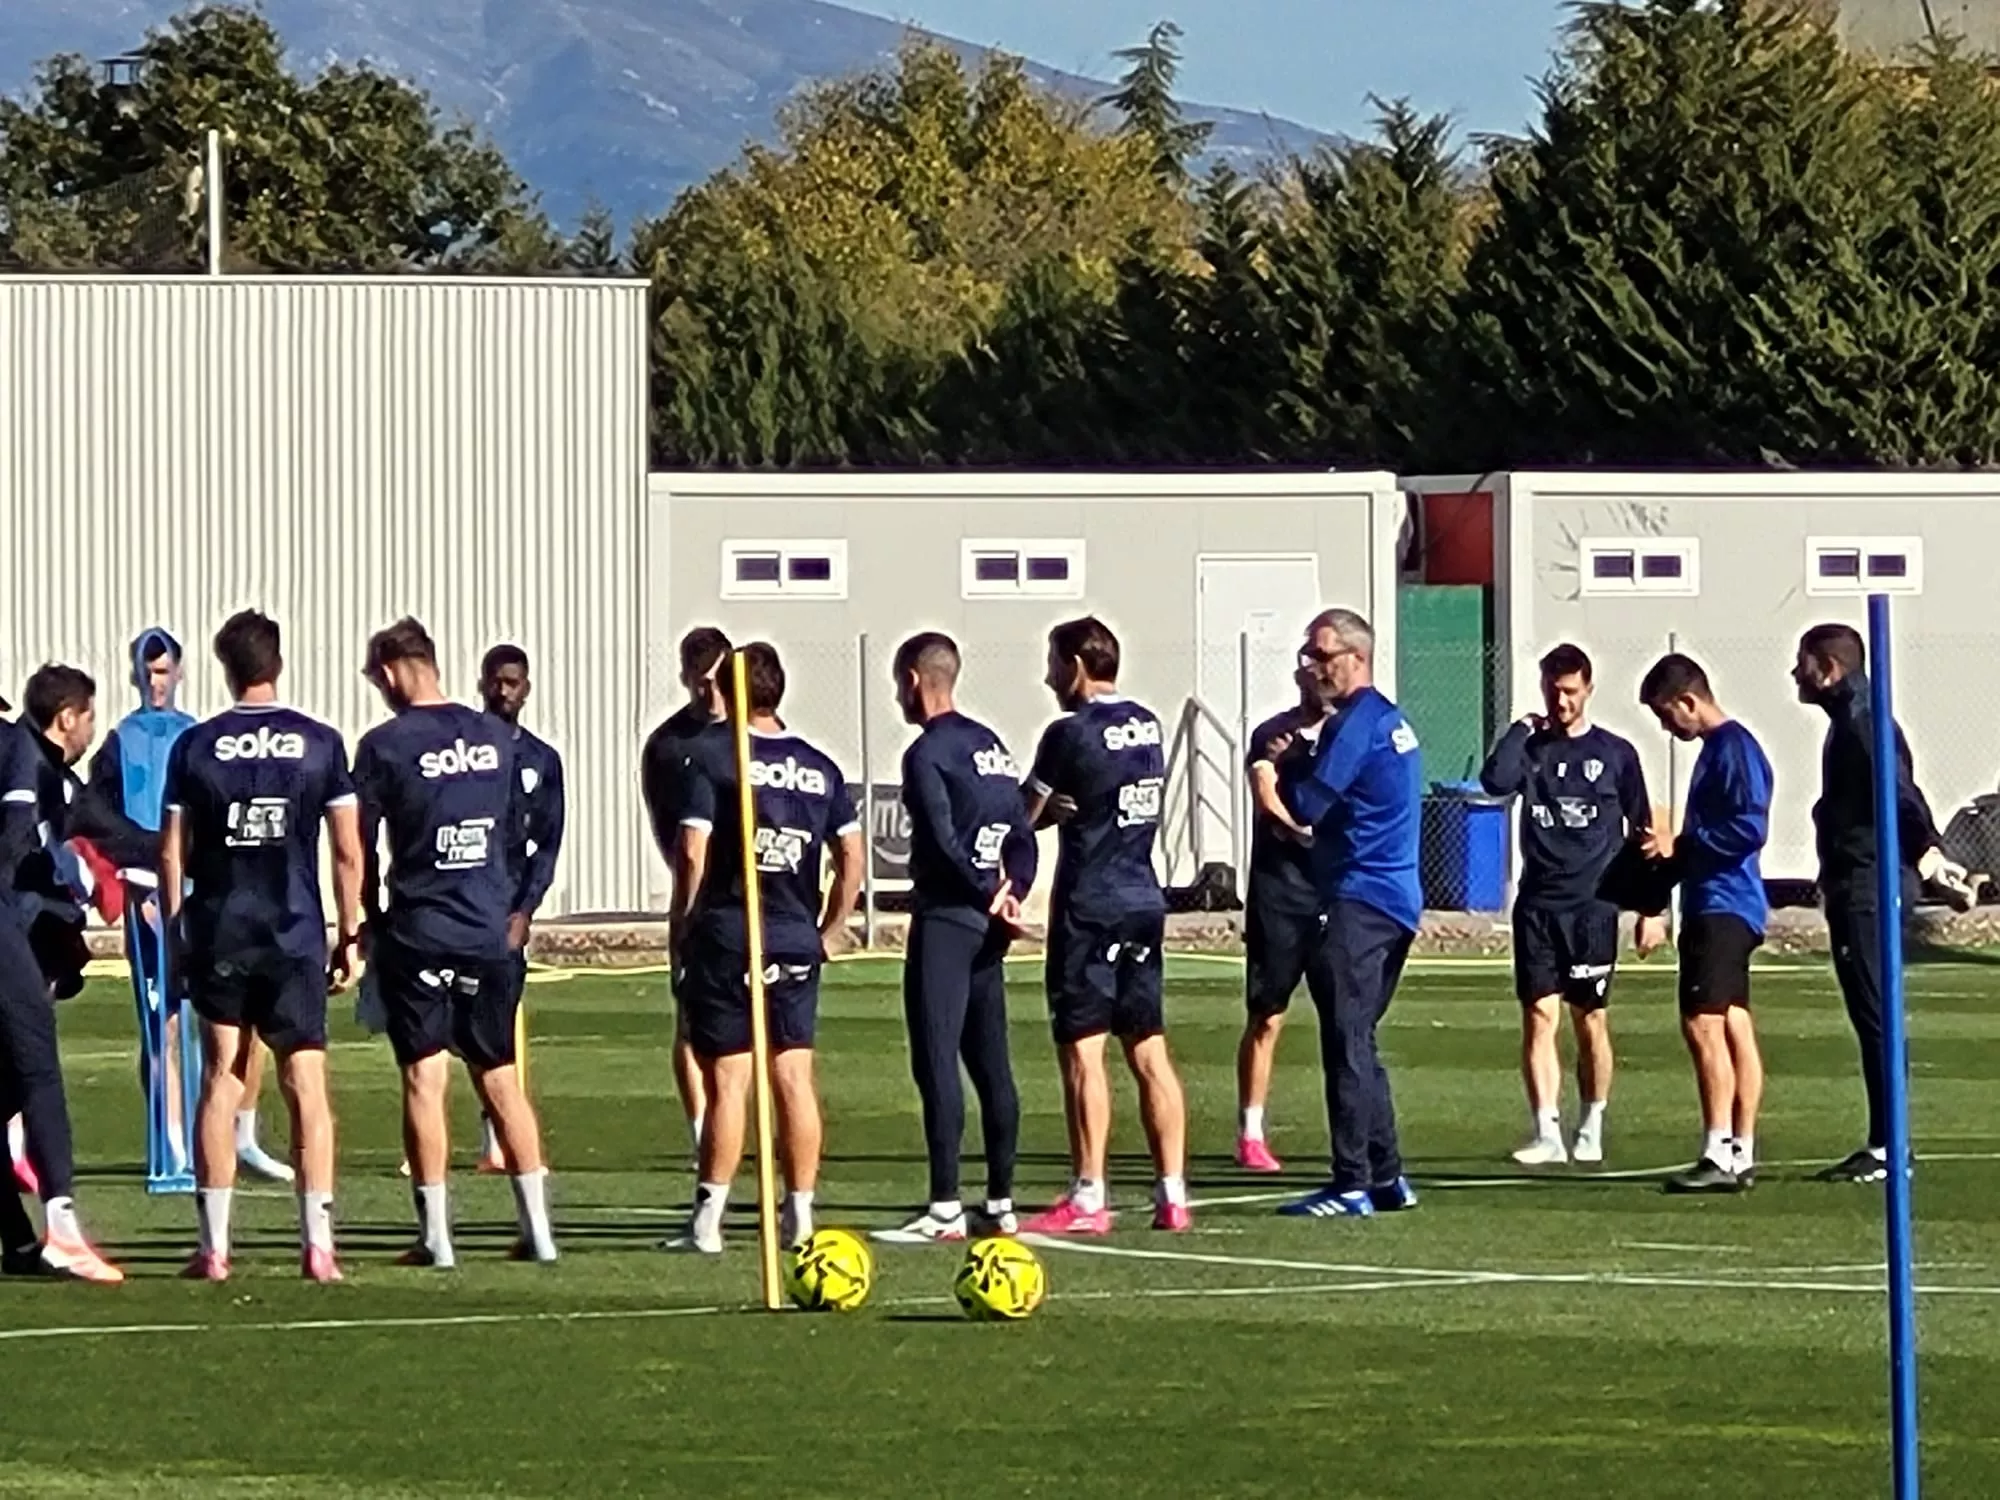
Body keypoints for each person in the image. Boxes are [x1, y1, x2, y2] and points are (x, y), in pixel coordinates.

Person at [162, 612, 366, 1282]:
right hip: (294, 929)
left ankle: (216, 1248)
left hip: (222, 927)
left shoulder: (196, 746)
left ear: (226, 667)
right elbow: (346, 850)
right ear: (277, 663)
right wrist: (351, 929)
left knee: (222, 1077)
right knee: (305, 1082)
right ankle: (319, 1246)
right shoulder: (319, 743)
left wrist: (173, 930)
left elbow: (172, 851)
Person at [354, 618, 556, 1267]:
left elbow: (356, 844)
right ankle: (539, 1230)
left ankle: (437, 1236)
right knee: (500, 1076)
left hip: (420, 928)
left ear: (391, 671)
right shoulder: (497, 740)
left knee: (424, 1078)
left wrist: (363, 918)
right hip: (486, 929)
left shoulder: (385, 746)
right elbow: (514, 833)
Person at [670, 641, 864, 1254]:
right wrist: (830, 929)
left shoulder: (715, 760)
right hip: (793, 936)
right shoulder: (819, 767)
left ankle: (707, 1222)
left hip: (731, 931)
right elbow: (852, 856)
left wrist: (683, 927)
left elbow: (692, 853)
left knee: (729, 1081)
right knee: (793, 1077)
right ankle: (800, 1215)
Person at [87, 626, 292, 1185]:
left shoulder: (198, 739)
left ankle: (229, 1138)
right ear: (136, 674)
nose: (157, 682)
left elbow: (215, 817)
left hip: (202, 894)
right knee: (163, 1025)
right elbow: (98, 819)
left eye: (165, 670)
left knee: (223, 1021)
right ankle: (170, 1140)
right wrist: (136, 876)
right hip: (144, 895)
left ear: (179, 673)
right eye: (148, 671)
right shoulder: (118, 742)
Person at [1019, 617, 1193, 1236]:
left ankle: (1089, 1193)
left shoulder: (1068, 733)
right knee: (1149, 1047)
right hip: (1142, 895)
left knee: (1083, 1052)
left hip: (1089, 901)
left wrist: (1047, 814)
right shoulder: (1147, 723)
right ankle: (1172, 1192)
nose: (1047, 676)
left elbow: (1024, 814)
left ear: (1074, 666)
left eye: (1052, 662)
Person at [1792, 623, 1979, 1184]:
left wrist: (1928, 854)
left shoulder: (1861, 722)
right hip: (1861, 877)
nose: (1795, 676)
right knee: (1872, 1012)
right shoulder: (1850, 721)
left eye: (1802, 664)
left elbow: (1898, 792)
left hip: (1872, 884)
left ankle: (1888, 1145)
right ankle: (1885, 1140)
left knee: (1876, 1013)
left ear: (1828, 669)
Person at [874, 633, 1037, 1244]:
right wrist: (1011, 888)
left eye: (899, 685)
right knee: (992, 1062)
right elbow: (1022, 833)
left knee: (937, 1057)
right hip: (989, 922)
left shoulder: (926, 754)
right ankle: (1000, 1202)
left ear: (915, 680)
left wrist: (978, 891)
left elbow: (942, 840)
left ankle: (944, 1204)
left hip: (948, 916)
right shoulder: (990, 745)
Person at [1480, 643, 1662, 1167]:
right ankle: (1546, 1132)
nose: (1560, 702)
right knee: (1539, 1016)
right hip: (1538, 904)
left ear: (1587, 690)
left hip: (1594, 907)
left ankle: (1592, 1123)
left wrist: (1652, 906)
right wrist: (1519, 729)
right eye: (1552, 691)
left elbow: (1644, 830)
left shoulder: (1616, 754)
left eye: (1569, 692)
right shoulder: (1532, 750)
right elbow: (1495, 782)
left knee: (1591, 1019)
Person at [1277, 609, 1424, 1220]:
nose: (1312, 667)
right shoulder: (1389, 718)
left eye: (1322, 655)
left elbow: (1308, 806)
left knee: (1344, 1040)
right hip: (1395, 901)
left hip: (1360, 899)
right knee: (1359, 1036)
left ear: (1356, 659)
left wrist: (1283, 765)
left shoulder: (1355, 726)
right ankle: (1387, 1176)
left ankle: (1351, 1181)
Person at [0, 669, 132, 1282]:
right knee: (36, 1071)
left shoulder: (46, 768)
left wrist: (183, 845)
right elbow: (17, 833)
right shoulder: (17, 749)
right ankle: (62, 1228)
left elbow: (106, 829)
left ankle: (20, 1241)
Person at [1639, 653, 1773, 1195]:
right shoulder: (1720, 751)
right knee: (1734, 1021)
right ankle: (1740, 1150)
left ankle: (1720, 1149)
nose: (1667, 728)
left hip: (1724, 903)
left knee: (1703, 1022)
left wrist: (1685, 845)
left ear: (1688, 701)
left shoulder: (1735, 748)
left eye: (1667, 715)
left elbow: (1749, 827)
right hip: (1716, 901)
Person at [1234, 664, 1333, 1174]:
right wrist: (1302, 832)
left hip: (1336, 892)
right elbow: (1265, 795)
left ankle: (1351, 1130)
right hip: (1280, 891)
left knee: (1344, 1017)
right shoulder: (1272, 734)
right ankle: (1250, 1131)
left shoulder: (1348, 737)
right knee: (1267, 1014)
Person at [474, 643, 567, 1174]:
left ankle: (500, 1141)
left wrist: (527, 909)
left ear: (526, 688)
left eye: (513, 682)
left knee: (498, 1025)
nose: (503, 690)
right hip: (461, 905)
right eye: (496, 681)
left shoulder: (540, 760)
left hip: (506, 909)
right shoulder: (465, 749)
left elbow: (547, 842)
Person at [641, 626, 732, 1157]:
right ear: (685, 679)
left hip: (753, 898)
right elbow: (666, 823)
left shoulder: (751, 734)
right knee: (690, 1019)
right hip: (701, 899)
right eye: (701, 684)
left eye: (720, 681)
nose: (711, 694)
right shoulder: (668, 745)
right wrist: (686, 895)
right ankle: (703, 1134)